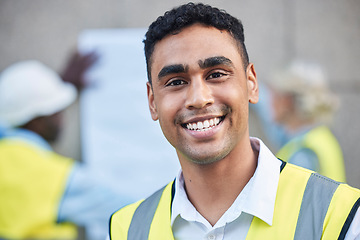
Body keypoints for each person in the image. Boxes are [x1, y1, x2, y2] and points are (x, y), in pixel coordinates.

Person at [109, 2, 360, 240]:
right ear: (152, 101)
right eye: (176, 82)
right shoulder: (126, 229)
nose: (198, 98)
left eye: (216, 74)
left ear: (251, 83)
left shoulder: (343, 216)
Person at [0, 58, 131, 240]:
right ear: (37, 121)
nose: (62, 118)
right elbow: (133, 212)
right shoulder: (59, 178)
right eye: (56, 111)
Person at [252, 60, 346, 182]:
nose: (270, 102)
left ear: (286, 101)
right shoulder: (319, 136)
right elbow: (274, 129)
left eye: (273, 96)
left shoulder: (302, 154)